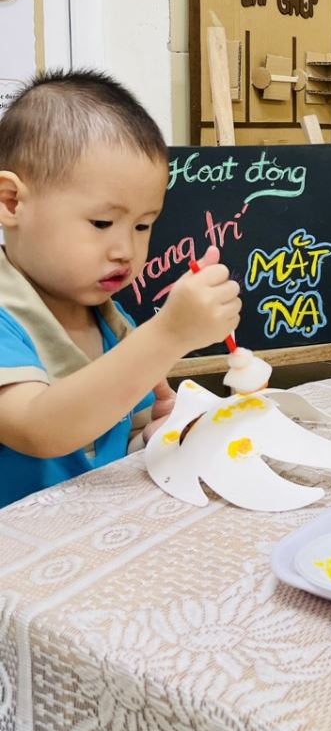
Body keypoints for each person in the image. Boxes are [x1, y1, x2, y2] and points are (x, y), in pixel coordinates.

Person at [0, 70, 241, 507]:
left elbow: (116, 435)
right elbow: (38, 428)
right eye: (102, 222)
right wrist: (169, 334)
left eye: (143, 225)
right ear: (11, 202)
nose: (125, 250)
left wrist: (153, 434)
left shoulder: (110, 321)